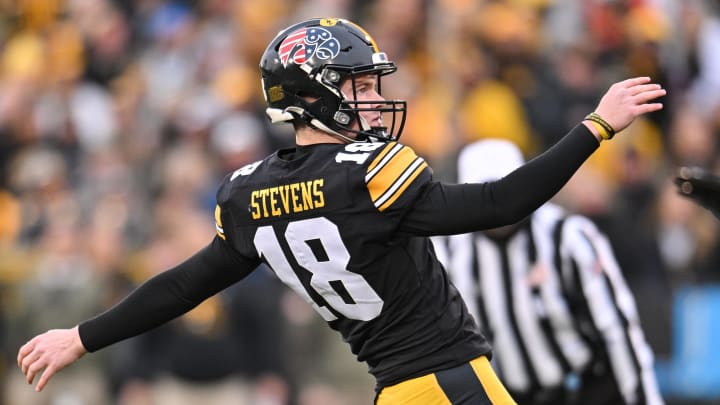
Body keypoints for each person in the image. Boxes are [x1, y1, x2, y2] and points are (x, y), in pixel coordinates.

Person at [16, 17, 665, 404]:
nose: (375, 100)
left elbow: (184, 283)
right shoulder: (370, 174)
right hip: (450, 381)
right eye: (357, 87)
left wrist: (81, 336)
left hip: (396, 390)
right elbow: (502, 201)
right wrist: (596, 126)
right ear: (311, 97)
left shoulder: (250, 193)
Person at [438, 139, 664, 405]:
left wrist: (644, 399)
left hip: (586, 388)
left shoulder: (569, 236)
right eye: (485, 193)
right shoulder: (451, 252)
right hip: (513, 395)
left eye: (505, 189)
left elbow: (617, 328)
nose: (497, 205)